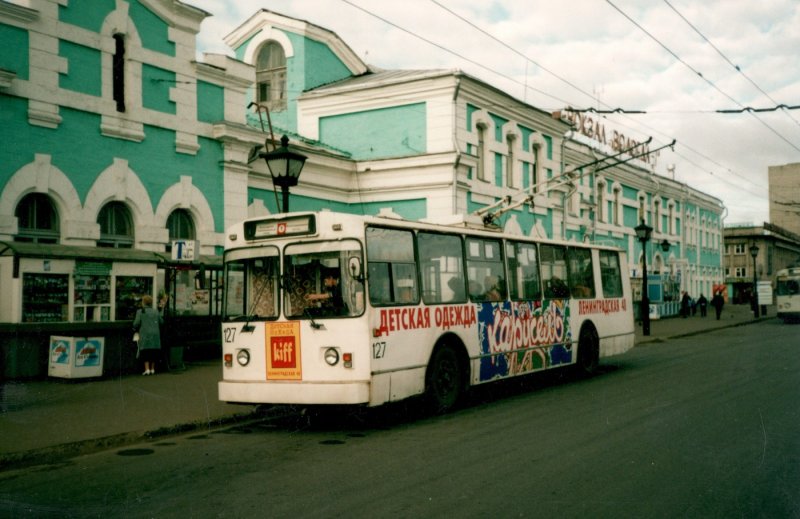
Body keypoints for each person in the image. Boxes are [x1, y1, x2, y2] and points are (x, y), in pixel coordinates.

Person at [133, 294, 163, 375]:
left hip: (145, 334)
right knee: (153, 351)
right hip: (155, 334)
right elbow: (161, 321)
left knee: (145, 351)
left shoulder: (140, 311)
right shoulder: (155, 311)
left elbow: (136, 323)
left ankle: (147, 369)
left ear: (143, 302)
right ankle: (152, 369)